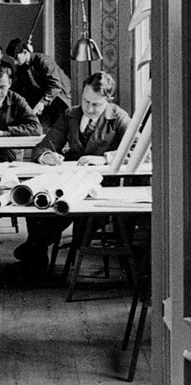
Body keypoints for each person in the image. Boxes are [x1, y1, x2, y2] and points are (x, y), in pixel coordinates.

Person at [13, 71, 131, 273]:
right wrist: (48, 156)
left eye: (96, 105)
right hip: (68, 181)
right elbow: (43, 147)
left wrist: (104, 159)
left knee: (60, 209)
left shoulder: (119, 117)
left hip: (100, 188)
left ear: (108, 100)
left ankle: (35, 250)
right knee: (38, 200)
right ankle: (37, 254)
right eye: (86, 102)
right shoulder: (71, 115)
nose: (89, 109)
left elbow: (141, 152)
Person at [6, 37, 72, 133]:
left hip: (60, 99)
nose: (15, 62)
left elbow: (55, 86)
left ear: (25, 52)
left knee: (58, 131)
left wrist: (42, 102)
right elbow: (19, 87)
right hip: (45, 102)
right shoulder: (22, 67)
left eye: (16, 58)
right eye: (12, 59)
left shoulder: (44, 60)